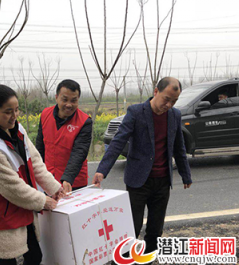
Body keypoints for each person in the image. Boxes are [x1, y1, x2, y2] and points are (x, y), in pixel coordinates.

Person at [92, 77, 192, 257]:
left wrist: (186, 174)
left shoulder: (175, 115)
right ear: (156, 92)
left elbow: (179, 147)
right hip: (138, 181)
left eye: (174, 101)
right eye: (166, 99)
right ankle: (125, 259)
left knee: (155, 229)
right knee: (132, 227)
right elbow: (118, 141)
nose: (169, 105)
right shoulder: (136, 112)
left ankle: (148, 258)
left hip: (162, 182)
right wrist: (102, 170)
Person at [0, 85, 64, 265]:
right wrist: (43, 200)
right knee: (7, 261)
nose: (14, 116)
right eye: (8, 112)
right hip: (2, 216)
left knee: (35, 256)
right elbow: (12, 187)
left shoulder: (17, 130)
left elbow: (35, 162)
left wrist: (54, 187)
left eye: (16, 110)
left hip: (23, 206)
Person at [36, 79, 92, 193]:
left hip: (74, 181)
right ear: (56, 97)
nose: (69, 105)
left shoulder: (84, 121)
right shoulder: (45, 114)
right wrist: (37, 172)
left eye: (73, 100)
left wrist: (68, 178)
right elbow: (40, 147)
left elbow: (79, 152)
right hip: (49, 179)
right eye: (65, 99)